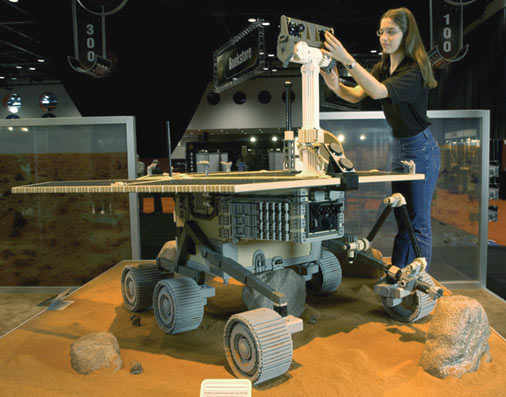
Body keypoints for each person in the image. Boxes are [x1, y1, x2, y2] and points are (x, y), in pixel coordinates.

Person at [320, 7, 440, 270]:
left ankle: (419, 279)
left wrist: (346, 59)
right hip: (400, 147)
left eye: (391, 32)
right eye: (381, 31)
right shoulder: (383, 66)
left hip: (421, 149)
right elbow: (355, 95)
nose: (384, 37)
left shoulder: (415, 69)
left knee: (418, 220)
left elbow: (378, 92)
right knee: (403, 217)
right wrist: (335, 86)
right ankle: (397, 273)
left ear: (406, 35)